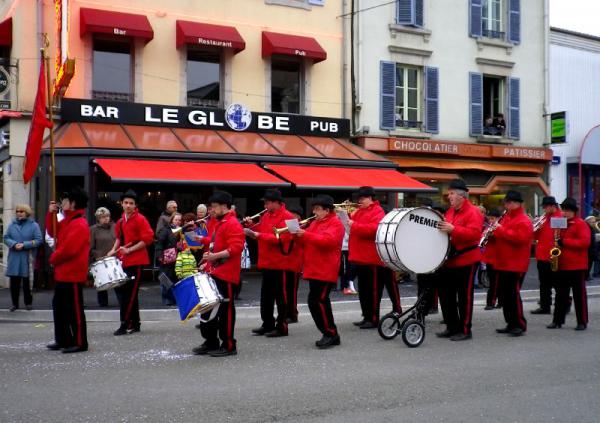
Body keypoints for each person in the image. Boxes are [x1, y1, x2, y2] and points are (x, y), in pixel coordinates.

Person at [192, 190, 244, 357]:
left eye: (214, 207)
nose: (211, 210)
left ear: (224, 206)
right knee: (208, 309)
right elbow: (216, 243)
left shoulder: (233, 223)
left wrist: (214, 256)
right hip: (214, 271)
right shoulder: (219, 221)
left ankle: (229, 345)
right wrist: (207, 253)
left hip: (227, 275)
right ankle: (211, 341)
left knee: (226, 311)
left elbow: (236, 248)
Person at [295, 195, 345, 349]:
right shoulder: (315, 222)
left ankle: (331, 333)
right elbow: (307, 241)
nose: (314, 212)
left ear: (327, 210)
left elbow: (328, 242)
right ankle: (328, 332)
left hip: (326, 269)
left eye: (317, 209)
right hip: (315, 268)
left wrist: (306, 234)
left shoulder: (336, 223)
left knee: (319, 301)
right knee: (316, 302)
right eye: (314, 208)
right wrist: (297, 234)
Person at [436, 179, 483, 341]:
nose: (449, 196)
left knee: (464, 297)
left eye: (452, 193)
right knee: (446, 295)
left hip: (466, 260)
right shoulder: (450, 211)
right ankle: (451, 326)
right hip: (450, 260)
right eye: (449, 193)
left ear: (461, 196)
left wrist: (453, 229)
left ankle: (464, 330)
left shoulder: (473, 212)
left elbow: (475, 234)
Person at [244, 188, 295, 337]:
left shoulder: (289, 217)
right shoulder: (266, 215)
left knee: (281, 297)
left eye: (267, 202)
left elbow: (284, 239)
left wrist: (258, 235)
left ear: (276, 202)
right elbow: (261, 230)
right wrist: (251, 226)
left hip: (280, 262)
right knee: (266, 296)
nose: (265, 205)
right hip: (266, 261)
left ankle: (282, 326)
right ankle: (267, 323)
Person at [348, 186, 401, 329]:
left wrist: (354, 225)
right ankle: (366, 316)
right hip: (360, 256)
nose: (359, 201)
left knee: (373, 291)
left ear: (370, 198)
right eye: (359, 199)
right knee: (363, 290)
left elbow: (374, 230)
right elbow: (353, 227)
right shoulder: (359, 212)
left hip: (372, 258)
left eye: (362, 198)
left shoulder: (377, 211)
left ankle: (373, 318)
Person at [45, 188, 90, 353]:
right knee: (60, 307)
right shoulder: (68, 221)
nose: (61, 203)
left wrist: (53, 258)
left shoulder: (79, 224)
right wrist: (51, 214)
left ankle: (80, 342)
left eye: (65, 200)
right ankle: (63, 338)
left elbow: (69, 250)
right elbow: (52, 231)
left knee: (74, 311)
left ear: (73, 204)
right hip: (63, 273)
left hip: (73, 274)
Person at [108, 190, 154, 336]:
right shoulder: (121, 221)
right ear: (121, 204)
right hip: (125, 261)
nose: (128, 205)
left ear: (135, 206)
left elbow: (147, 239)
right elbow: (118, 238)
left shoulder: (140, 219)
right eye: (126, 203)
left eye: (131, 203)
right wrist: (112, 251)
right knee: (127, 294)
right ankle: (135, 323)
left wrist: (130, 250)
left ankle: (125, 324)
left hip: (138, 261)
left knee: (129, 294)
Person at [492, 190, 533, 337]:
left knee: (513, 295)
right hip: (503, 261)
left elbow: (520, 239)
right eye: (507, 202)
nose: (508, 205)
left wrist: (500, 229)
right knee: (505, 295)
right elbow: (501, 235)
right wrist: (493, 231)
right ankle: (510, 323)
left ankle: (519, 324)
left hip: (515, 263)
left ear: (518, 203)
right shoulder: (506, 217)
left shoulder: (524, 220)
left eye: (511, 202)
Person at [547, 198, 591, 331]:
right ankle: (557, 320)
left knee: (579, 295)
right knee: (560, 295)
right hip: (562, 264)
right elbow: (556, 240)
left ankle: (582, 322)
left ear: (574, 212)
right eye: (564, 210)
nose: (564, 212)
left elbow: (585, 243)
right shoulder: (561, 224)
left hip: (577, 265)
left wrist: (565, 242)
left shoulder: (581, 224)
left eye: (567, 210)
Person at [4, 204, 42, 311]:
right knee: (14, 282)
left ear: (27, 213)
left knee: (27, 282)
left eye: (22, 211)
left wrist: (25, 244)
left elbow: (38, 240)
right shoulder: (12, 225)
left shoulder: (34, 225)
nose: (19, 213)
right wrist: (13, 244)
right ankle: (14, 304)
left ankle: (28, 302)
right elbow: (6, 237)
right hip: (14, 256)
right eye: (17, 211)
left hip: (27, 257)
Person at [531, 196, 563, 315]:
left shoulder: (560, 217)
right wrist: (535, 227)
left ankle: (565, 302)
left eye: (545, 207)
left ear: (552, 206)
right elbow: (535, 236)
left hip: (553, 254)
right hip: (542, 254)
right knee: (544, 283)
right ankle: (545, 306)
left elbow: (560, 235)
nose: (544, 209)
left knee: (557, 283)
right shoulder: (544, 218)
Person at [90, 207, 116, 307]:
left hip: (114, 258)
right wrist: (96, 255)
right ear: (98, 218)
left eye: (107, 216)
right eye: (103, 217)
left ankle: (122, 301)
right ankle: (103, 304)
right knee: (102, 285)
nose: (106, 218)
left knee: (119, 283)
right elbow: (90, 247)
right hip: (100, 259)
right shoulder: (93, 229)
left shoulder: (115, 226)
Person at [156, 212, 181, 304]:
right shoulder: (165, 230)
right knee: (165, 277)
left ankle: (174, 298)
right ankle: (167, 299)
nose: (177, 222)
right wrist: (159, 256)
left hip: (177, 258)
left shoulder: (181, 231)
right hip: (166, 257)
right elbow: (159, 243)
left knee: (175, 278)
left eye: (179, 220)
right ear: (172, 220)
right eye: (176, 219)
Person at [286, 205, 305, 323]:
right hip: (286, 260)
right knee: (286, 290)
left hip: (295, 261)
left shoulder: (302, 226)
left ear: (298, 216)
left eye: (292, 214)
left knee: (291, 290)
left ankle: (293, 314)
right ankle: (288, 313)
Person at [483, 208, 502, 310]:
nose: (490, 221)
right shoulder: (489, 227)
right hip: (489, 258)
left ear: (498, 218)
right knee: (493, 281)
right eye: (489, 219)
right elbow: (483, 239)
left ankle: (491, 302)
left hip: (497, 258)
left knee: (496, 282)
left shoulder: (500, 227)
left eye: (493, 218)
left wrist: (495, 232)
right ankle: (497, 301)